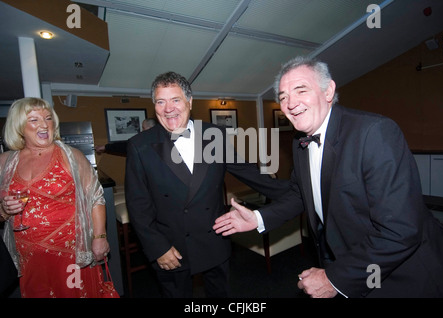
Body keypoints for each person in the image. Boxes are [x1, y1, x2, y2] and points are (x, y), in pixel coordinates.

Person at [214, 56, 443, 298]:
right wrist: (258, 218)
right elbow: (301, 194)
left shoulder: (374, 133)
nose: (290, 103)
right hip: (352, 262)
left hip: (405, 275)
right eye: (283, 97)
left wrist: (334, 279)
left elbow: (401, 231)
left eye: (300, 90)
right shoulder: (300, 142)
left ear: (328, 91)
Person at [125, 71, 289, 298]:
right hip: (170, 246)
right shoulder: (139, 145)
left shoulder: (215, 134)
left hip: (213, 239)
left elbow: (248, 172)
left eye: (175, 100)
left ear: (189, 102)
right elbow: (138, 205)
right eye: (160, 102)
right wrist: (157, 248)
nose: (168, 108)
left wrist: (296, 191)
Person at [0, 97, 111, 298]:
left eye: (48, 118)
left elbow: (96, 197)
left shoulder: (71, 155)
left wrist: (100, 237)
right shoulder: (5, 162)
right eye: (34, 120)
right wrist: (4, 210)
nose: (44, 124)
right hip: (29, 256)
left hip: (70, 253)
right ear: (19, 126)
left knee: (76, 293)